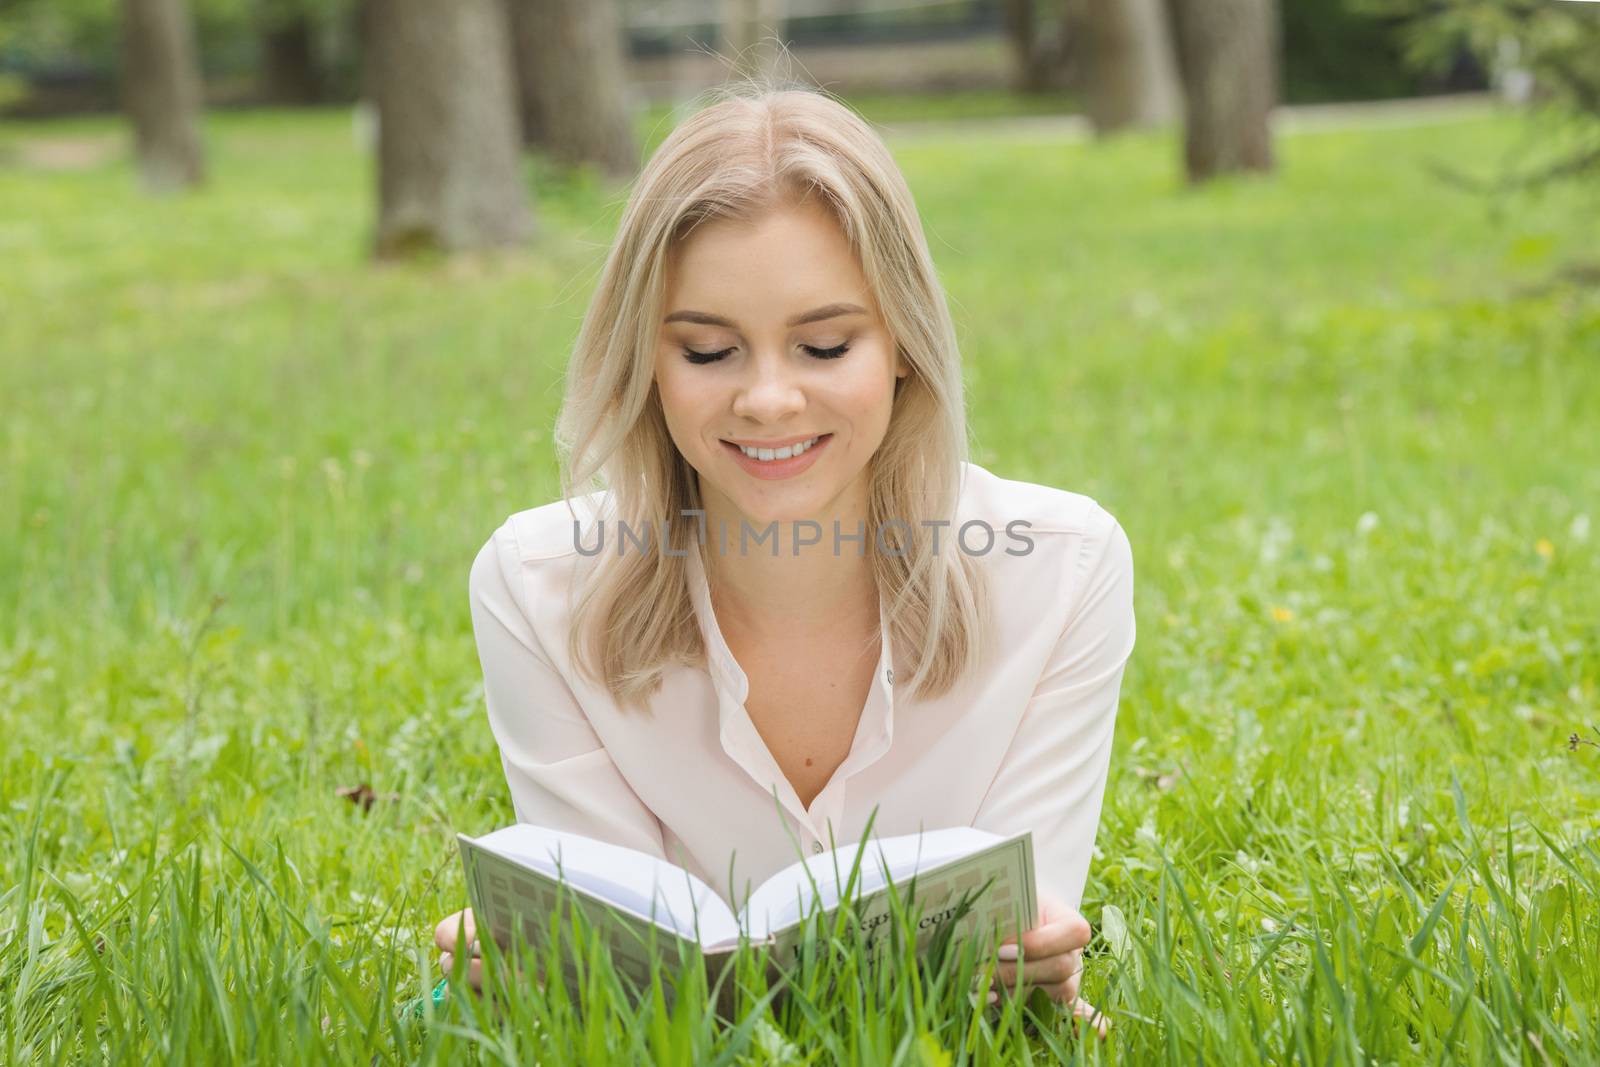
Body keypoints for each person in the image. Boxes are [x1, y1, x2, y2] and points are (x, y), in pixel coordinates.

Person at [434, 83, 1133, 1039]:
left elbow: (1013, 949)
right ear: (647, 361)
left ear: (903, 347)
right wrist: (531, 965)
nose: (768, 400)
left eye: (823, 344)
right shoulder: (537, 584)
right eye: (710, 351)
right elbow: (616, 967)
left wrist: (1034, 959)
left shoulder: (1062, 569)